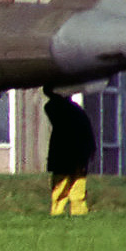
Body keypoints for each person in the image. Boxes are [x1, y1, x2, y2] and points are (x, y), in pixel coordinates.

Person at [44, 88, 96, 216]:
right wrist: (90, 149)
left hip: (63, 152)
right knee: (76, 183)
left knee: (63, 184)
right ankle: (78, 211)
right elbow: (87, 130)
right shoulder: (75, 111)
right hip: (77, 152)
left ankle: (59, 211)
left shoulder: (53, 107)